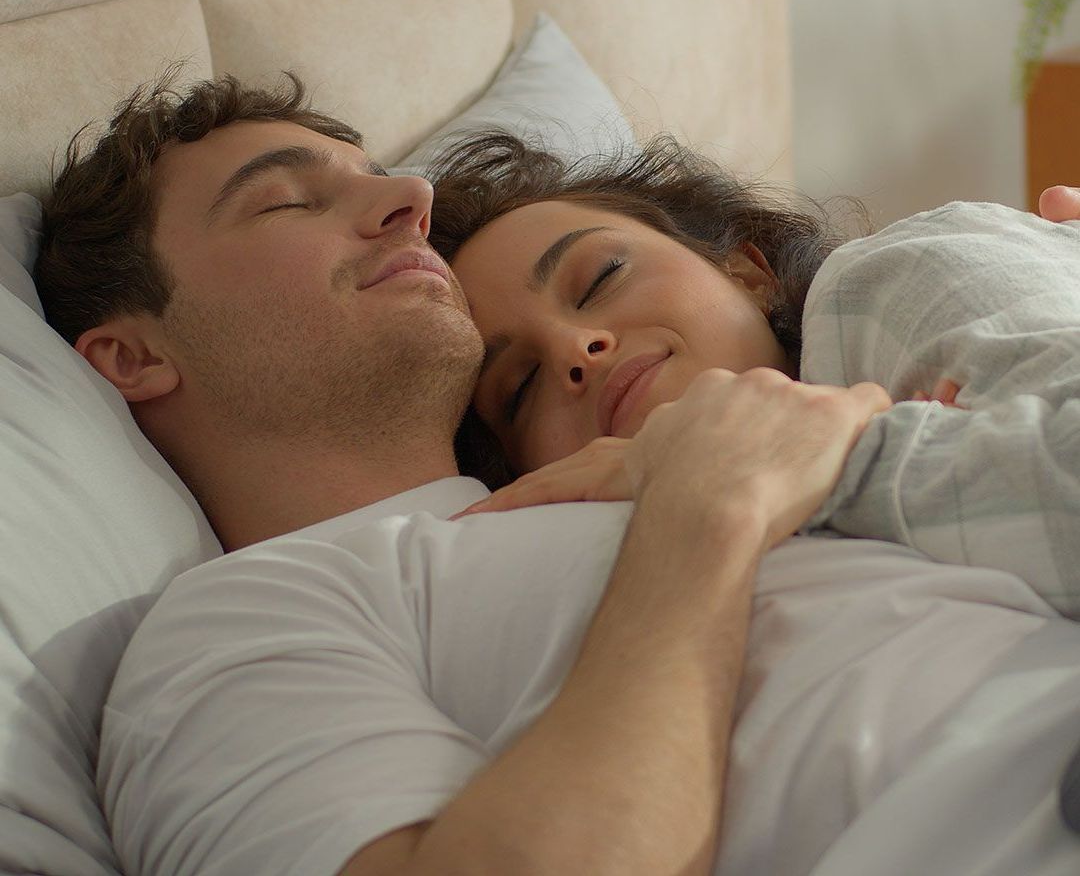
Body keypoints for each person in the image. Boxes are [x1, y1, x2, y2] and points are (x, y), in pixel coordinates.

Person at [32, 71, 1080, 874]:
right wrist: (708, 514)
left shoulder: (742, 410)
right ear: (135, 355)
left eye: (384, 177)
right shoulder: (240, 625)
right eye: (286, 203)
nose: (411, 194)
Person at [429, 133, 1080, 622]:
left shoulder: (893, 276)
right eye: (520, 388)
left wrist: (808, 463)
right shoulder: (629, 561)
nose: (577, 348)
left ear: (746, 273)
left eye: (601, 278)